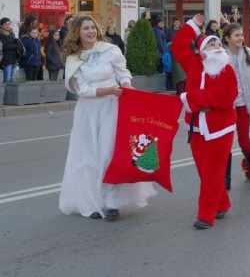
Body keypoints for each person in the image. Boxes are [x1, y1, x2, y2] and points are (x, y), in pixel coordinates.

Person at [59, 15, 156, 221]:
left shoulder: (111, 50)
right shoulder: (73, 59)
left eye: (93, 27)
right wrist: (110, 89)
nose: (91, 31)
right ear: (77, 32)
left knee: (110, 154)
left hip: (113, 107)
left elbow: (123, 73)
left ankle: (111, 202)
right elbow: (83, 90)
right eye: (86, 28)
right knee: (90, 156)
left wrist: (127, 87)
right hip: (89, 112)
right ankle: (93, 201)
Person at [171, 14, 238, 229]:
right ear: (201, 51)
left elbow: (225, 98)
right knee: (204, 170)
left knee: (211, 172)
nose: (217, 46)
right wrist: (192, 25)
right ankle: (222, 203)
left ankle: (205, 215)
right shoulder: (194, 64)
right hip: (197, 127)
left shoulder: (227, 70)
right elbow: (179, 45)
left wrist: (192, 99)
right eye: (211, 44)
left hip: (221, 128)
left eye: (219, 43)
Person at [222, 23, 250, 187]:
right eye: (236, 35)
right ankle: (226, 178)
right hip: (226, 105)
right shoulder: (221, 56)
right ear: (227, 39)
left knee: (244, 141)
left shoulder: (249, 53)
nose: (240, 38)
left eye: (241, 35)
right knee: (225, 141)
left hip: (244, 103)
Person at [0, 18, 20, 83]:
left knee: (12, 80)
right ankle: (5, 93)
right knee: (7, 80)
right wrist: (16, 46)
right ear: (1, 25)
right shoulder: (1, 34)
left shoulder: (11, 33)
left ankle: (11, 93)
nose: (8, 25)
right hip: (6, 60)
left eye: (9, 24)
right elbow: (5, 46)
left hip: (14, 59)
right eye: (6, 24)